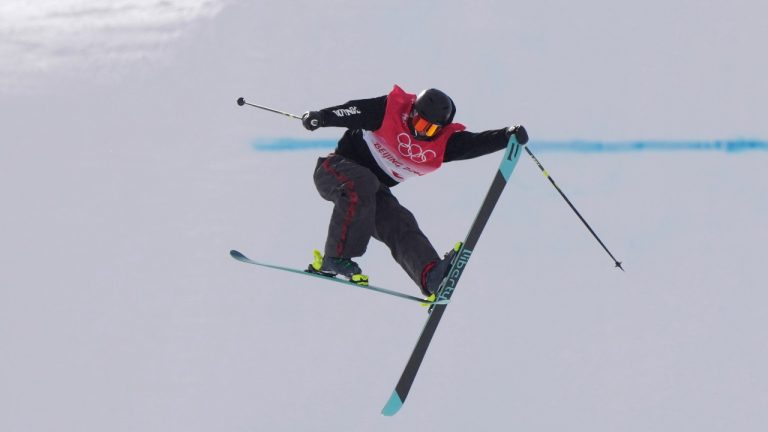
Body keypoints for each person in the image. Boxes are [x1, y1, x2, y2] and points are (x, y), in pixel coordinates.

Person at [302, 85, 528, 299]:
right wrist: (322, 117)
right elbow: (353, 111)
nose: (420, 130)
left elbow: (476, 143)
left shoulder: (444, 144)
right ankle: (336, 256)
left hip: (371, 193)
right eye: (418, 121)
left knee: (400, 222)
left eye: (428, 128)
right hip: (335, 169)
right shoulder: (389, 110)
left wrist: (506, 136)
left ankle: (430, 276)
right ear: (411, 112)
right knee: (364, 182)